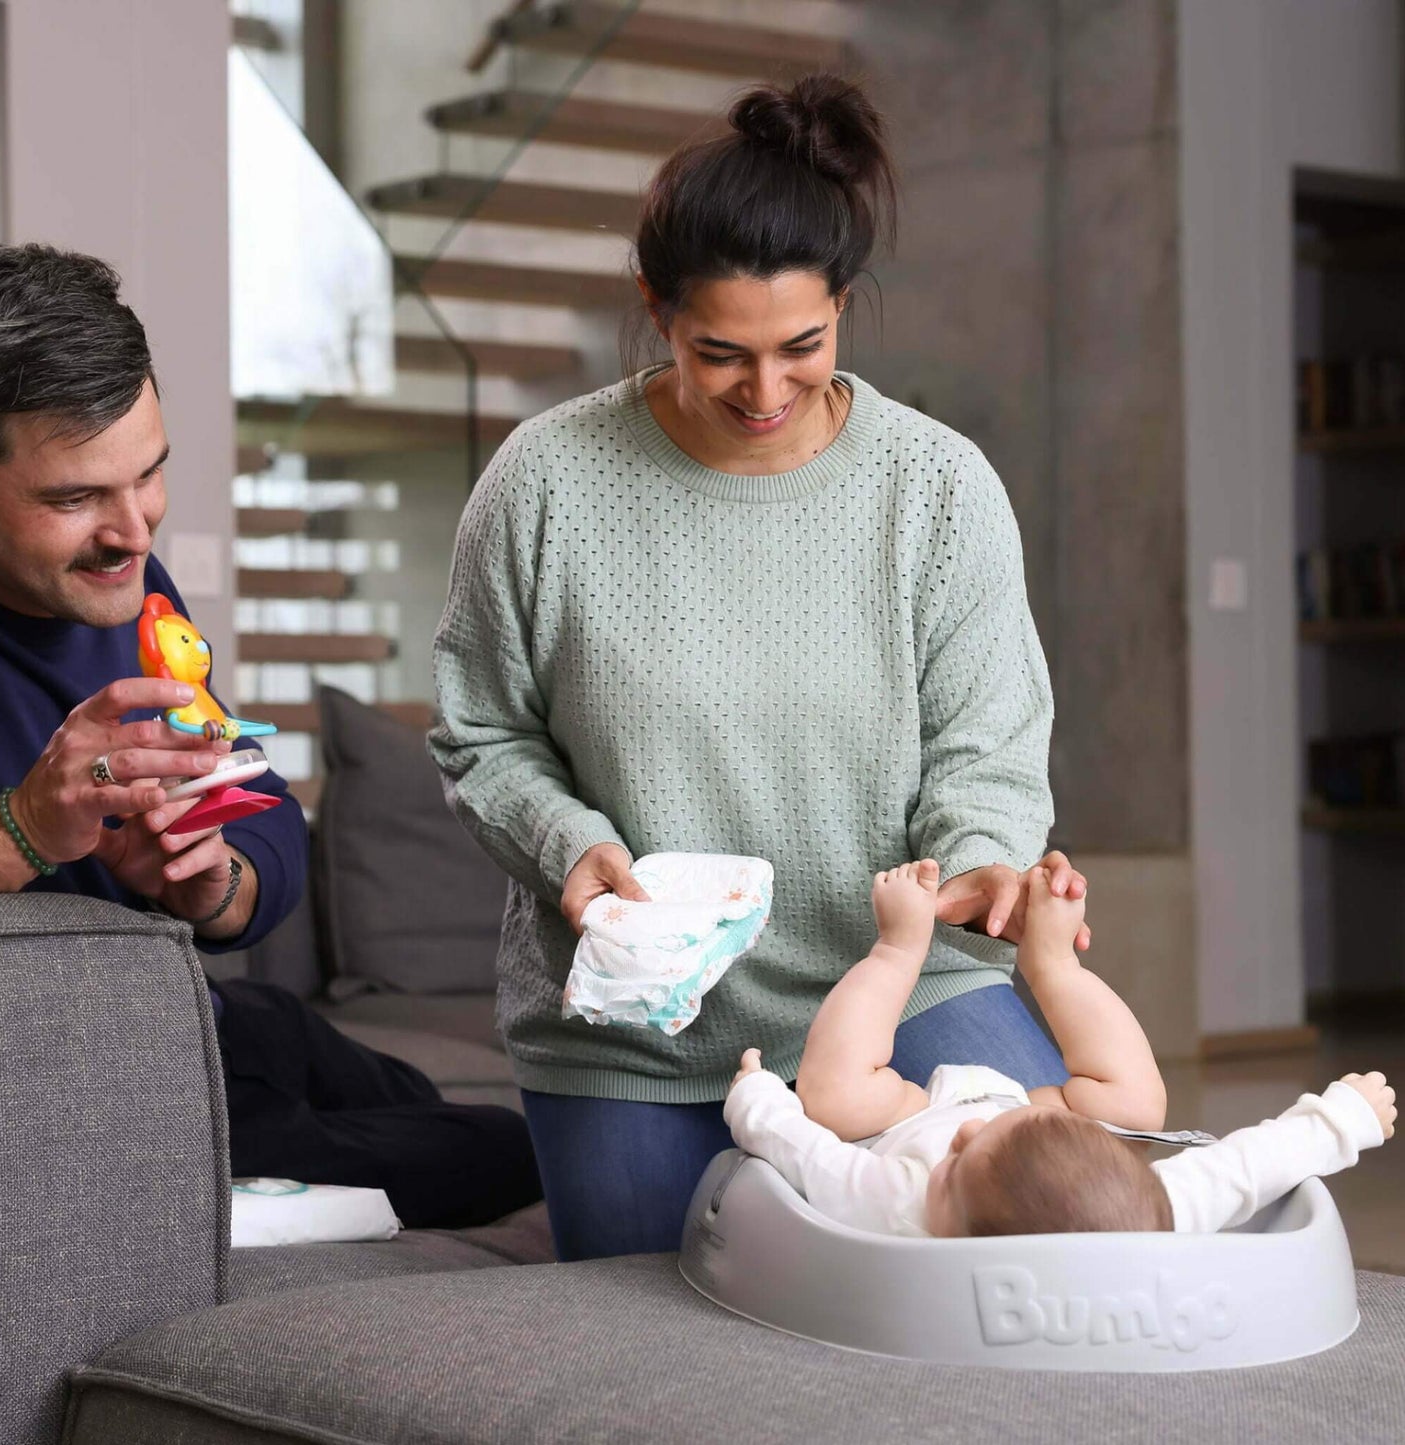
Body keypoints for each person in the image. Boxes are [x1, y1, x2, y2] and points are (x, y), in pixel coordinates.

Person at [431, 73, 1089, 1261]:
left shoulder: (935, 487)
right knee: (660, 1343)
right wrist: (563, 842)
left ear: (844, 301)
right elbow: (481, 731)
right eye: (718, 353)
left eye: (802, 346)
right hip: (639, 1023)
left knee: (1051, 1246)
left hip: (900, 982)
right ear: (653, 306)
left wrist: (983, 860)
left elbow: (985, 741)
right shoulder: (543, 480)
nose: (765, 392)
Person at [0, 241, 541, 1229]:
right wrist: (12, 829)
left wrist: (210, 877)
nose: (135, 532)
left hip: (217, 1014)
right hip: (95, 1079)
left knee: (430, 1091)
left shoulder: (128, 588)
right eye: (74, 498)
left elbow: (265, 812)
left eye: (148, 474)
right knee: (519, 1154)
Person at [726, 862, 1395, 1236]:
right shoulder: (1147, 1219)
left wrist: (758, 1098)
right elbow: (1239, 1169)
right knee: (1137, 1106)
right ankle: (1053, 965)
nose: (962, 1135)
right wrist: (1342, 1121)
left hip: (906, 1116)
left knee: (832, 1101)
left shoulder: (898, 1200)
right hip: (1023, 1106)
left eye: (952, 1170)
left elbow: (808, 1155)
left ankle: (896, 947)